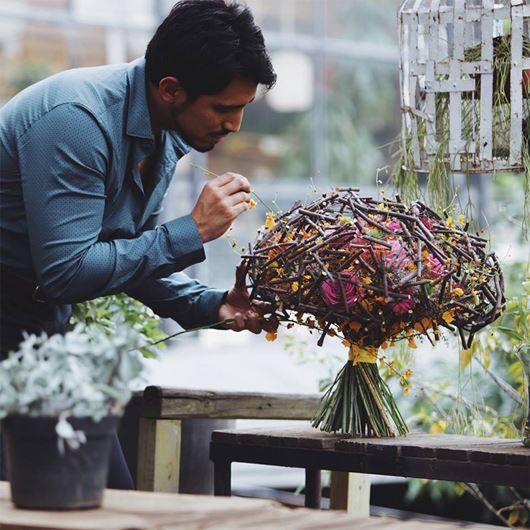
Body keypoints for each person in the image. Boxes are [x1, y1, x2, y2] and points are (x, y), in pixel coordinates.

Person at [0, 0, 276, 488]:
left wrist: (212, 306)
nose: (235, 126)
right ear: (171, 89)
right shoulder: (78, 119)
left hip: (37, 329)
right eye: (224, 108)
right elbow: (67, 271)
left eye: (243, 109)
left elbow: (123, 251)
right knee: (45, 500)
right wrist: (189, 231)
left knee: (110, 496)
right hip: (15, 316)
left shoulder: (164, 131)